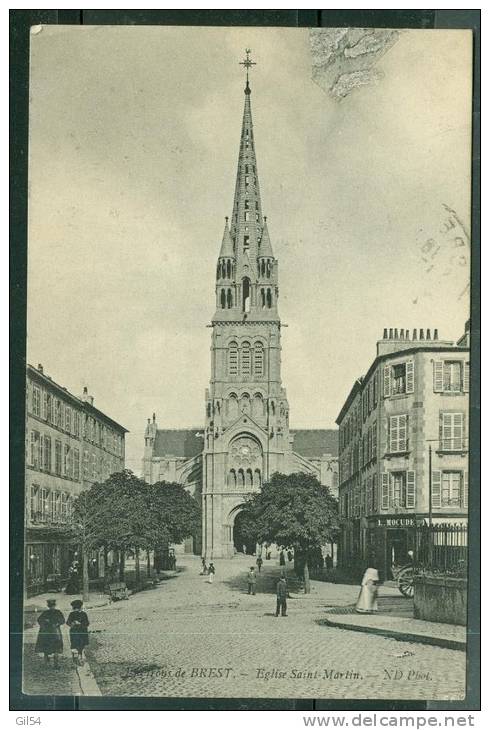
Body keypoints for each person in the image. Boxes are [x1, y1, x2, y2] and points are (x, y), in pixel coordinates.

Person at [35, 599, 65, 668]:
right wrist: (45, 621)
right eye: (51, 606)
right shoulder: (45, 613)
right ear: (48, 606)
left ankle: (56, 664)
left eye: (53, 606)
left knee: (56, 648)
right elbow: (39, 620)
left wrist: (58, 623)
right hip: (47, 633)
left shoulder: (58, 612)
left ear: (55, 606)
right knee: (46, 648)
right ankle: (46, 663)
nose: (52, 607)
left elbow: (63, 620)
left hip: (55, 633)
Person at [66, 599, 90, 665]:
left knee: (80, 644)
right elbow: (68, 622)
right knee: (77, 644)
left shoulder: (83, 614)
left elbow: (87, 623)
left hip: (80, 632)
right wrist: (73, 623)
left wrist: (80, 624)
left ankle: (79, 656)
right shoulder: (73, 614)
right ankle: (78, 657)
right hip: (77, 632)